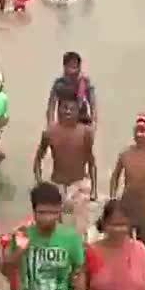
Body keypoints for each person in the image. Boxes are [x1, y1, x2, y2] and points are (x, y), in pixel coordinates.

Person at [0, 182, 86, 290]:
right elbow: (5, 270)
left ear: (59, 211)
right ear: (33, 211)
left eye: (53, 213)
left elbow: (79, 277)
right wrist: (18, 251)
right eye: (42, 213)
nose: (48, 218)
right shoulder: (22, 235)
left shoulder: (71, 238)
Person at [34, 94, 98, 238]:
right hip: (57, 184)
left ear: (78, 112)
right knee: (56, 229)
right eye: (64, 108)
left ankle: (81, 255)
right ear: (58, 110)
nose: (68, 112)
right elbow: (38, 159)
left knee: (80, 230)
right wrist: (39, 181)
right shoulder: (49, 133)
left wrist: (94, 188)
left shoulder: (86, 133)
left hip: (79, 184)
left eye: (72, 109)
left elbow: (91, 161)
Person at [109, 114, 145, 256]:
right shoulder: (125, 154)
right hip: (126, 209)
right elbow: (114, 178)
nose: (140, 134)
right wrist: (112, 198)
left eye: (144, 130)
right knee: (123, 251)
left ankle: (144, 277)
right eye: (138, 130)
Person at [47, 51, 97, 128]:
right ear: (65, 67)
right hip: (64, 123)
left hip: (82, 122)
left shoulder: (85, 83)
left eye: (75, 67)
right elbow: (51, 106)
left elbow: (93, 104)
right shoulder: (59, 84)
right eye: (70, 66)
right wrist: (51, 124)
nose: (72, 71)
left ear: (79, 67)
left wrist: (93, 124)